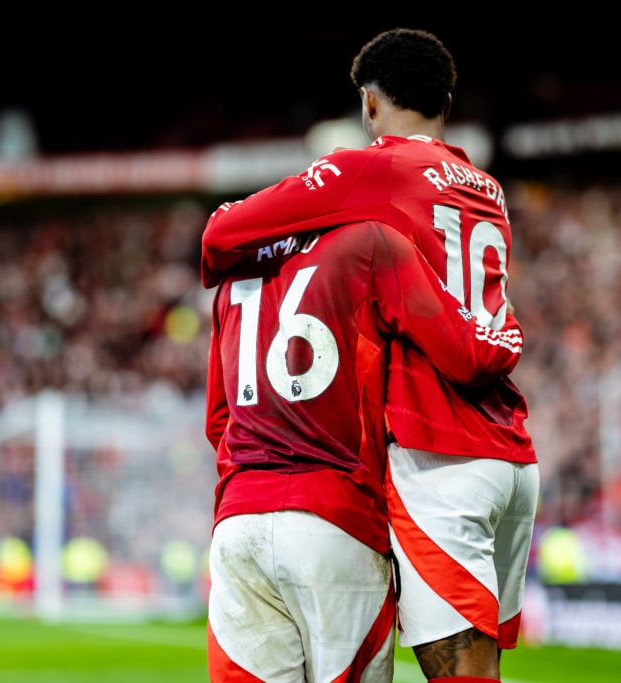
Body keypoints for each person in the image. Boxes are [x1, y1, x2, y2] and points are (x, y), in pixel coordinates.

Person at [201, 28, 539, 681]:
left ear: (369, 104)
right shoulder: (487, 189)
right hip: (511, 448)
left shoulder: (370, 173)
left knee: (460, 670)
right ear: (447, 98)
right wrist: (508, 336)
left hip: (435, 446)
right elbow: (481, 332)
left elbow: (220, 237)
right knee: (481, 661)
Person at [204, 220, 525, 682]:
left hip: (238, 522)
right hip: (337, 515)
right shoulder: (370, 243)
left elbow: (219, 420)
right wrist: (504, 321)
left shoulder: (236, 268)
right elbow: (469, 355)